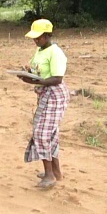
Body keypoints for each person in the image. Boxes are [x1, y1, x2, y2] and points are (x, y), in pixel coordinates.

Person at [18, 19, 69, 189]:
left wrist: (34, 81)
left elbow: (57, 78)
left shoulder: (55, 52)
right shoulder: (40, 51)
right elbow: (37, 72)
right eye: (34, 37)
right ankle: (56, 172)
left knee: (42, 134)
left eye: (38, 37)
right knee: (50, 134)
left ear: (47, 35)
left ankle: (49, 175)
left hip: (54, 95)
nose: (35, 40)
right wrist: (27, 73)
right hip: (44, 94)